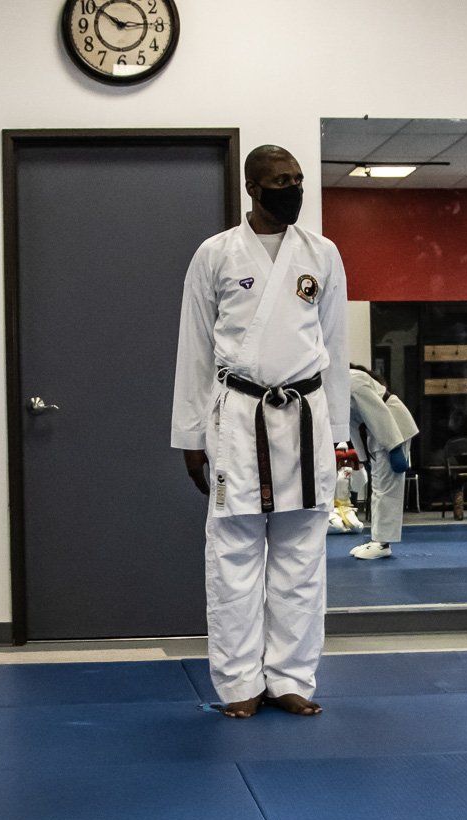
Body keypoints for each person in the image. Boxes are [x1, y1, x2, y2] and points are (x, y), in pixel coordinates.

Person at [171, 145, 348, 720]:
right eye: (280, 180)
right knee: (234, 556)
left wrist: (340, 436)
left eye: (297, 179)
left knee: (301, 557)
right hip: (239, 419)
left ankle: (292, 677)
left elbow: (336, 351)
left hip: (305, 416)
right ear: (252, 187)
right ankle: (239, 682)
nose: (293, 188)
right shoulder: (215, 254)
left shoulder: (321, 254)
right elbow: (195, 350)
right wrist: (190, 436)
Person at [346, 364, 419, 560]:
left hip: (392, 425)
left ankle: (383, 543)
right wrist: (362, 458)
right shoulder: (342, 387)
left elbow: (378, 414)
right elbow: (352, 424)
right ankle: (378, 540)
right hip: (378, 432)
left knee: (386, 487)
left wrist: (393, 447)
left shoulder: (353, 381)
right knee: (378, 486)